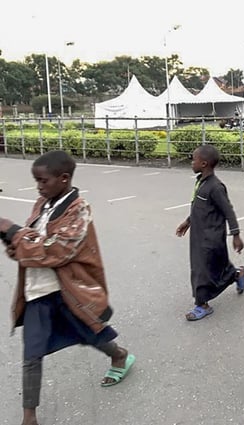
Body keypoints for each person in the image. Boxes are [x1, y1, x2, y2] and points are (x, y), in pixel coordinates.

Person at [0, 150, 135, 425]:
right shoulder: (42, 204)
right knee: (31, 354)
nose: (39, 186)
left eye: (43, 181)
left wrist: (14, 233)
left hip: (69, 291)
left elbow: (58, 249)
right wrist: (13, 245)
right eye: (36, 181)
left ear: (64, 179)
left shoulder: (80, 210)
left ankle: (119, 355)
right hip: (37, 293)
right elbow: (32, 242)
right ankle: (30, 417)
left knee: (91, 335)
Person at [176, 144, 244, 321]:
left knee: (201, 270)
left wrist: (236, 234)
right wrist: (188, 221)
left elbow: (228, 211)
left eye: (194, 159)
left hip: (212, 237)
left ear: (204, 163)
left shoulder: (215, 187)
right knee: (215, 266)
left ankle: (202, 305)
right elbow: (199, 207)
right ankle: (237, 274)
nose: (192, 162)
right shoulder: (201, 181)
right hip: (199, 235)